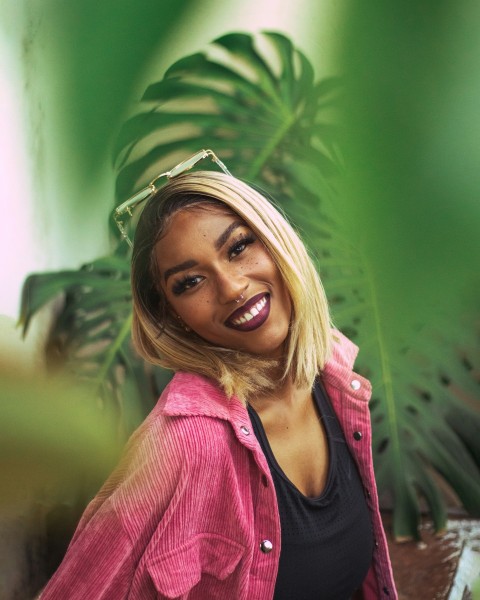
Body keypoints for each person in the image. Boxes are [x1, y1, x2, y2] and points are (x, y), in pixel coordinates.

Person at [40, 152, 397, 599]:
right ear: (173, 316)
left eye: (238, 247)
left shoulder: (332, 365)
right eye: (190, 282)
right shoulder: (185, 444)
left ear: (274, 237)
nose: (230, 287)